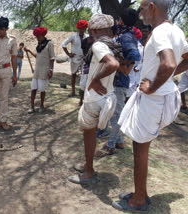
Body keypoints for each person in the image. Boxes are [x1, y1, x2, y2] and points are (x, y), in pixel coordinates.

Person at [113, 0, 188, 211]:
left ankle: (138, 200)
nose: (140, 12)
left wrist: (152, 87)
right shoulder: (177, 30)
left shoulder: (160, 32)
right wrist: (168, 77)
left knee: (140, 147)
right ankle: (140, 192)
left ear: (152, 7)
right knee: (140, 145)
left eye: (143, 7)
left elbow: (169, 63)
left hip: (154, 99)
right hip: (162, 97)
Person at [67, 14, 121, 184]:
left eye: (91, 30)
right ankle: (87, 165)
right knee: (91, 133)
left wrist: (96, 79)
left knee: (89, 134)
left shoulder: (98, 45)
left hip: (95, 98)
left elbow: (113, 64)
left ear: (94, 30)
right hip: (107, 96)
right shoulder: (114, 43)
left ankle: (89, 172)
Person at [95, 8, 141, 157]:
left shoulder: (126, 36)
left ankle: (110, 146)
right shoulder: (126, 35)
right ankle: (119, 141)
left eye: (118, 20)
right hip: (118, 80)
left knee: (116, 115)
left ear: (121, 20)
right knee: (114, 114)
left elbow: (134, 55)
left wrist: (122, 65)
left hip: (121, 80)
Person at [24, 27, 55, 113]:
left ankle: (41, 105)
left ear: (43, 35)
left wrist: (51, 70)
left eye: (38, 36)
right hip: (37, 71)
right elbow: (37, 56)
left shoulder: (49, 44)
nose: (37, 38)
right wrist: (29, 51)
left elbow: (52, 58)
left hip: (44, 70)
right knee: (33, 89)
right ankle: (32, 107)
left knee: (42, 89)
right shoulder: (39, 45)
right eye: (36, 36)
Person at [61, 20, 88, 97]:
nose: (82, 30)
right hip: (75, 59)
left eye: (83, 28)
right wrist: (68, 54)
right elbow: (63, 44)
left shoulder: (87, 37)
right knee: (73, 75)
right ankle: (73, 91)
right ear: (78, 28)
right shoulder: (73, 36)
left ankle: (83, 92)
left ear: (85, 28)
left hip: (84, 59)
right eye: (80, 28)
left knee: (85, 75)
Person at [79, 29, 94, 106]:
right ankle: (81, 100)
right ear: (88, 31)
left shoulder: (97, 42)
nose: (91, 32)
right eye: (90, 31)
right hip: (86, 64)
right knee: (83, 83)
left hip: (94, 64)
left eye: (93, 31)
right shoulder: (84, 41)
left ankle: (88, 101)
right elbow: (83, 53)